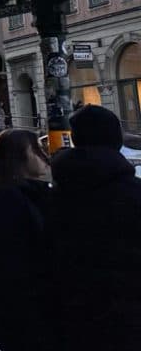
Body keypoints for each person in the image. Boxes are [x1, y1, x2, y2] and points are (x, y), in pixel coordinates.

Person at [49, 105, 141, 348]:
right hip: (130, 320)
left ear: (75, 139)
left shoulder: (53, 197)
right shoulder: (134, 194)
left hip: (71, 318)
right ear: (116, 140)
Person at [0, 128, 53, 351]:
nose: (44, 155)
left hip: (24, 314)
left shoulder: (25, 193)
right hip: (23, 317)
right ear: (20, 157)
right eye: (36, 149)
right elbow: (13, 264)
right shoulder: (7, 197)